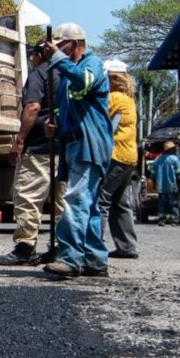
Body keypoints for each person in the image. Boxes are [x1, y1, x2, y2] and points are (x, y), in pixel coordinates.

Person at [38, 23, 111, 279]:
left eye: (60, 46)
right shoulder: (65, 80)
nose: (56, 51)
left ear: (75, 43)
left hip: (89, 144)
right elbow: (61, 112)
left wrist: (56, 59)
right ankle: (95, 258)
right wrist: (53, 127)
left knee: (76, 199)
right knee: (87, 205)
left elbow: (86, 82)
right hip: (73, 145)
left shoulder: (92, 65)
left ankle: (69, 258)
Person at [0, 40, 64, 265]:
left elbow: (33, 107)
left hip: (39, 149)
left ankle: (25, 247)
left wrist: (19, 142)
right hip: (64, 147)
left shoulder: (39, 74)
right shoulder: (67, 74)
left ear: (38, 55)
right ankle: (61, 247)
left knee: (28, 197)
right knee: (61, 201)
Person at [97, 59, 139, 259]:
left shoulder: (113, 98)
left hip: (116, 155)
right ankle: (127, 247)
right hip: (129, 157)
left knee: (101, 199)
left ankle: (94, 246)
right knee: (121, 203)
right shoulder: (129, 99)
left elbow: (98, 117)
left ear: (112, 79)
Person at [153, 141, 180, 225]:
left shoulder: (158, 159)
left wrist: (155, 183)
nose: (175, 149)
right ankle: (174, 220)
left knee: (162, 204)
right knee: (174, 203)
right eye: (174, 148)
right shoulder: (174, 159)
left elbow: (153, 172)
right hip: (172, 185)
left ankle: (161, 220)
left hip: (161, 186)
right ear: (171, 149)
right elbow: (178, 173)